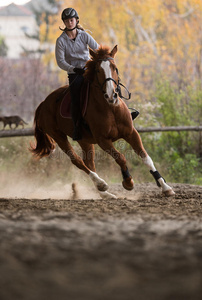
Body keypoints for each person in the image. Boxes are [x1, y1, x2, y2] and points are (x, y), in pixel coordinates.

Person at [55, 7, 99, 140]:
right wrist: (73, 69)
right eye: (67, 21)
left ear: (76, 20)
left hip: (88, 69)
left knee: (108, 82)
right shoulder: (60, 41)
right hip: (75, 73)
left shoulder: (85, 35)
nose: (69, 23)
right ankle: (77, 127)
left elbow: (97, 49)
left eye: (71, 20)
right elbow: (60, 62)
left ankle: (124, 113)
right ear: (64, 22)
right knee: (75, 97)